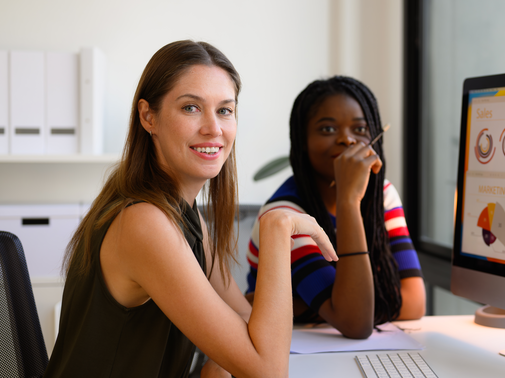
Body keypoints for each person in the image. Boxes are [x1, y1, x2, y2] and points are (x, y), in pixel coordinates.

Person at [44, 40, 337, 378]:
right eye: (191, 108)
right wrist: (276, 228)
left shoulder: (183, 213)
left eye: (225, 110)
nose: (214, 128)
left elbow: (243, 321)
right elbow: (268, 370)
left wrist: (221, 364)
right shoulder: (144, 222)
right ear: (148, 116)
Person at [245, 76, 426, 339]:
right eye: (327, 129)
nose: (347, 140)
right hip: (285, 349)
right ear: (302, 142)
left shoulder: (382, 195)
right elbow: (355, 322)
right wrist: (349, 201)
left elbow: (414, 303)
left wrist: (308, 306)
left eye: (360, 129)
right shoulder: (284, 215)